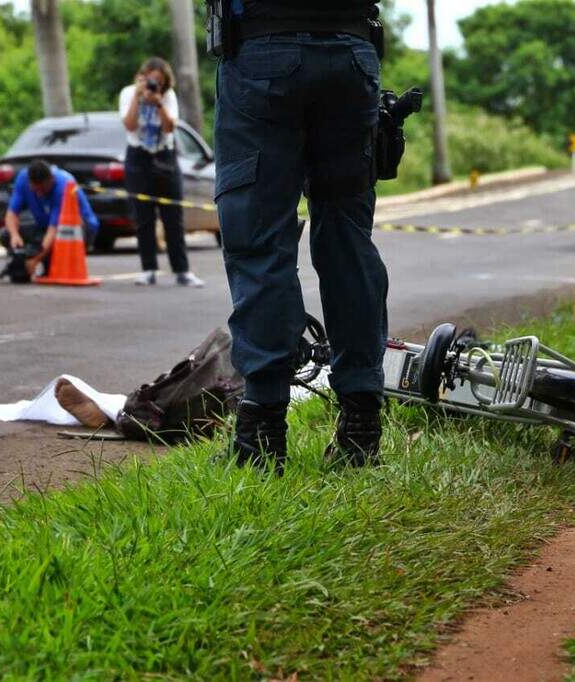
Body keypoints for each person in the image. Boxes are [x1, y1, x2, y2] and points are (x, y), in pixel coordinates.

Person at [212, 0, 387, 474]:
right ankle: (362, 429)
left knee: (260, 241)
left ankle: (262, 433)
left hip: (264, 54)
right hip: (353, 55)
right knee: (349, 242)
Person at [119, 57, 204, 288]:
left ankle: (182, 270)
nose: (154, 85)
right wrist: (139, 97)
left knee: (173, 215)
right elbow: (129, 124)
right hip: (138, 156)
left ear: (166, 82)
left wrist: (157, 103)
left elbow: (170, 127)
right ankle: (148, 269)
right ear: (142, 77)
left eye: (159, 81)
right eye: (150, 80)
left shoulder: (168, 97)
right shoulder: (129, 92)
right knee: (143, 216)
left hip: (164, 155)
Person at [0, 159, 99, 280]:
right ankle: (23, 264)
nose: (40, 194)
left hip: (78, 230)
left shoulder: (63, 186)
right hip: (45, 226)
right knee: (5, 234)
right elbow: (11, 214)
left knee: (55, 240)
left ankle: (52, 262)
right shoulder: (23, 178)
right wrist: (15, 236)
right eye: (35, 190)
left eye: (43, 189)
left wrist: (34, 261)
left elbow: (53, 231)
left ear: (51, 179)